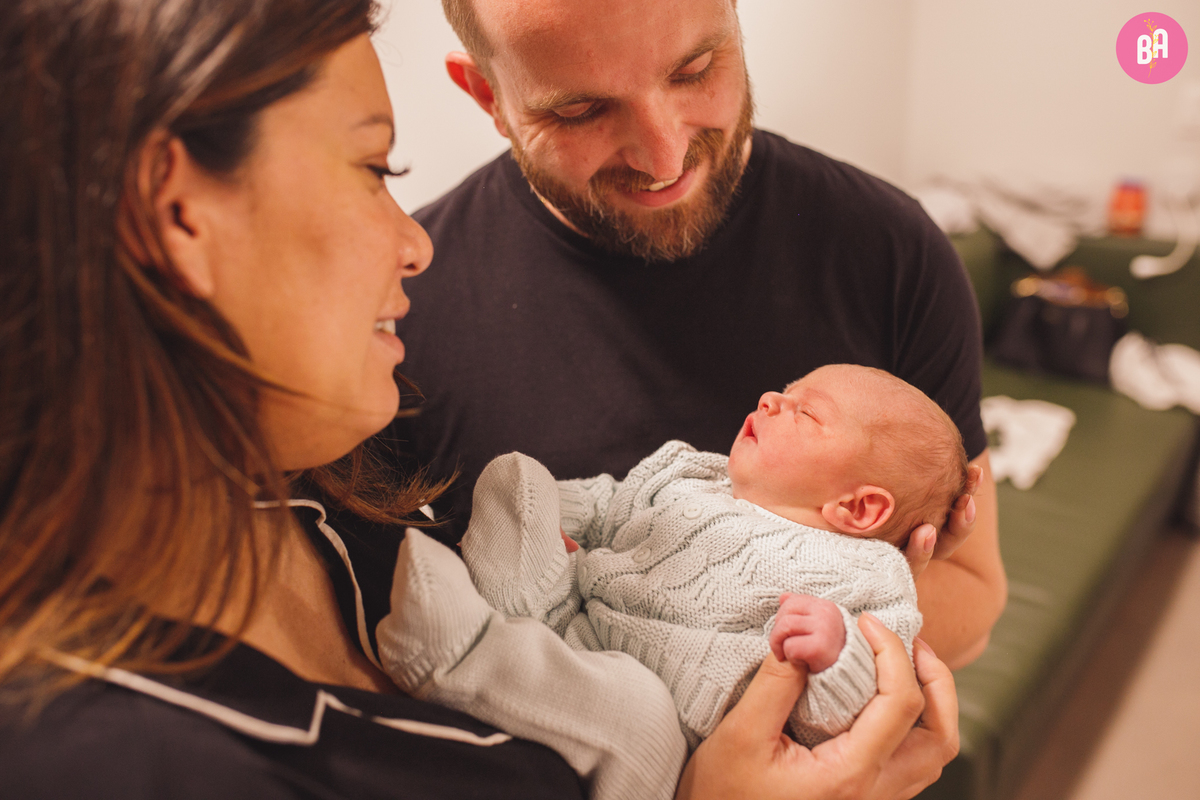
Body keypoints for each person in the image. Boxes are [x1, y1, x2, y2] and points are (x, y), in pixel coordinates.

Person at [0, 0, 959, 798]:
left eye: (699, 65)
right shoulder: (117, 756)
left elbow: (959, 583)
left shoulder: (316, 497)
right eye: (377, 168)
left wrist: (851, 658)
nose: (664, 153)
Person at [383, 0, 1006, 669]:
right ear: (487, 94)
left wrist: (863, 595)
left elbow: (973, 601)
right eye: (579, 110)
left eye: (695, 69)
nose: (664, 157)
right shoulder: (399, 308)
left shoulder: (889, 250)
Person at [379, 365, 970, 799]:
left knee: (637, 715)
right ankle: (500, 603)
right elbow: (608, 503)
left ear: (859, 508)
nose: (770, 399)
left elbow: (863, 703)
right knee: (517, 476)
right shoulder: (691, 471)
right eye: (785, 392)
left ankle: (460, 653)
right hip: (567, 603)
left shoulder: (869, 575)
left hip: (673, 730)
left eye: (806, 412)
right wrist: (560, 518)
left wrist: (835, 654)